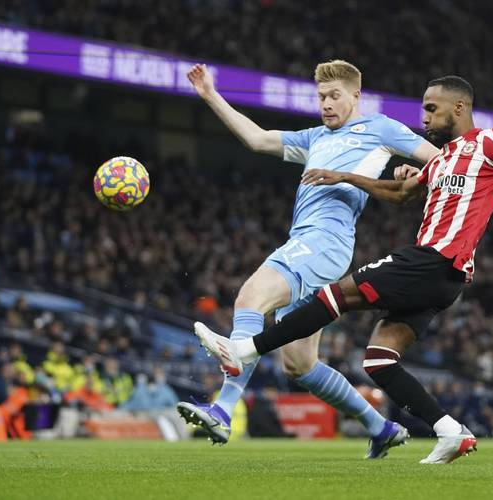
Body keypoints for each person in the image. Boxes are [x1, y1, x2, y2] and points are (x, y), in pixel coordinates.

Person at [193, 76, 493, 464]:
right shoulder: (443, 161)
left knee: (335, 295)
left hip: (435, 259)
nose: (424, 117)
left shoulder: (489, 142)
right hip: (441, 279)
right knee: (378, 361)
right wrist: (347, 176)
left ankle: (245, 349)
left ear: (459, 107)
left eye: (432, 109)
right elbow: (401, 193)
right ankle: (449, 431)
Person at [177, 60, 440, 458]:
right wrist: (211, 95)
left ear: (356, 96)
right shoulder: (315, 137)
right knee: (299, 366)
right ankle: (381, 427)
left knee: (250, 299)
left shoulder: (380, 128)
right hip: (313, 246)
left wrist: (412, 171)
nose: (326, 104)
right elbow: (258, 139)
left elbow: (443, 161)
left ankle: (223, 410)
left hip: (323, 242)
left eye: (334, 96)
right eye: (321, 97)